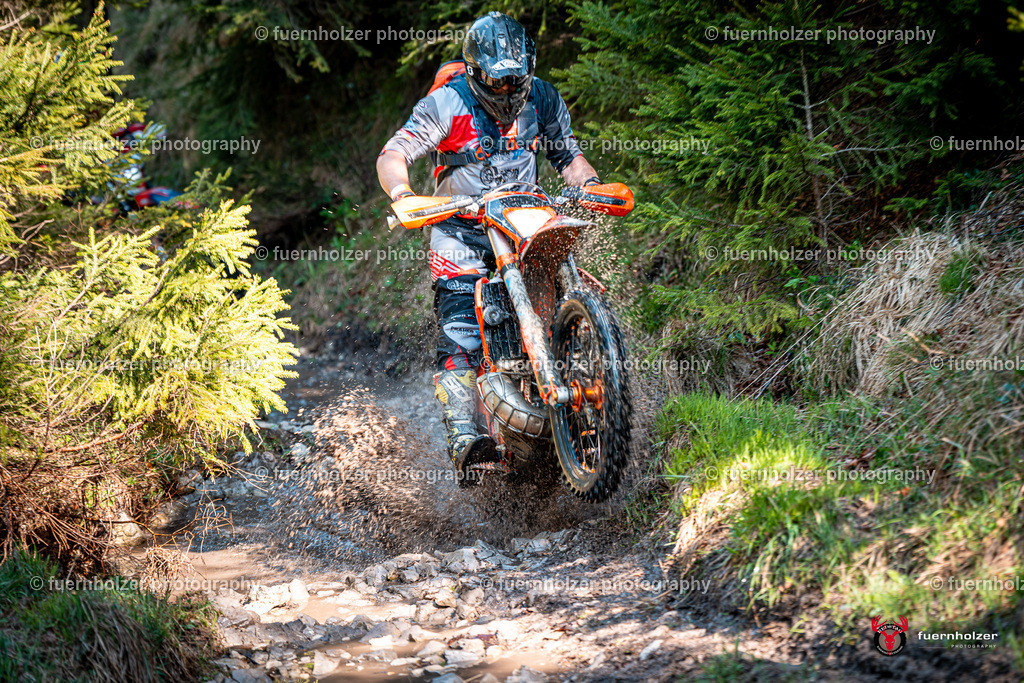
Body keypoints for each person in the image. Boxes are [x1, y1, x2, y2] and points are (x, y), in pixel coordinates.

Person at [376, 11, 602, 480]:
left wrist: (591, 185)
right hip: (460, 228)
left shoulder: (542, 97)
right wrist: (402, 194)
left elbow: (570, 157)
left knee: (570, 286)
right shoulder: (447, 102)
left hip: (523, 221)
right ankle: (464, 436)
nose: (507, 91)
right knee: (460, 329)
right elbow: (394, 153)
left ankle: (597, 385)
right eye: (496, 83)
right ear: (476, 74)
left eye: (514, 81)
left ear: (529, 71)